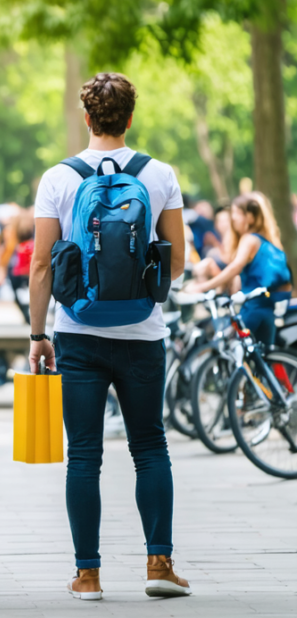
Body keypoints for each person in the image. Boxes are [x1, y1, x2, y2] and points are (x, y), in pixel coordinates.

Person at [28, 73, 190, 601]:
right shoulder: (159, 173)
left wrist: (37, 334)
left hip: (78, 331)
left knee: (83, 454)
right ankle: (159, 565)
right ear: (130, 118)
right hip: (144, 332)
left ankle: (88, 574)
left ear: (87, 117)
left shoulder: (59, 178)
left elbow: (39, 267)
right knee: (150, 445)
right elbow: (178, 262)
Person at [187, 192, 292, 345]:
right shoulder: (269, 240)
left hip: (253, 307)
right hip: (268, 307)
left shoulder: (250, 239)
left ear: (250, 217)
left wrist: (203, 286)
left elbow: (235, 267)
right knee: (265, 355)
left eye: (236, 213)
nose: (233, 218)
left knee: (231, 349)